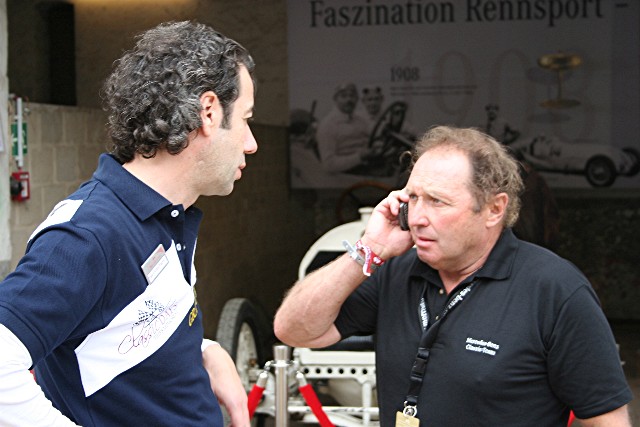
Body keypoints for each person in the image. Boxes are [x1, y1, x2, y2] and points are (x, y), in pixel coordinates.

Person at [274, 126, 633, 426]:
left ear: (494, 209)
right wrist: (369, 248)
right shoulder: (396, 271)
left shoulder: (554, 289)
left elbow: (607, 419)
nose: (417, 218)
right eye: (413, 198)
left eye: (437, 201)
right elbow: (294, 330)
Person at [0, 21, 257, 426]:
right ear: (208, 112)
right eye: (245, 119)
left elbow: (117, 331)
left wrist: (204, 350)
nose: (251, 143)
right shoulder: (87, 234)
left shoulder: (167, 214)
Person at [316, 82, 379, 175]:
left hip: (369, 167)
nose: (349, 99)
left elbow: (371, 139)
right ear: (335, 99)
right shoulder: (328, 125)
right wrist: (359, 157)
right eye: (343, 96)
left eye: (352, 96)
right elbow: (329, 165)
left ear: (357, 99)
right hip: (347, 175)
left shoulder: (360, 121)